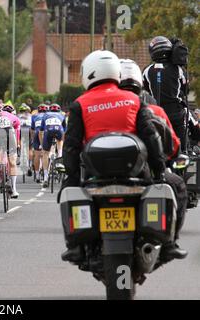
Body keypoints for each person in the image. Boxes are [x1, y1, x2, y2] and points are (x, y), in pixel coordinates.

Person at [60, 50, 186, 262]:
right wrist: (159, 172)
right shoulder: (133, 100)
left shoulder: (80, 104)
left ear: (87, 73)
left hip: (94, 175)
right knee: (178, 187)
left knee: (68, 195)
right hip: (137, 173)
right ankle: (169, 243)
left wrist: (71, 179)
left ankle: (76, 246)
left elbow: (71, 146)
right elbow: (151, 138)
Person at [119, 58, 187, 257]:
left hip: (103, 177)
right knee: (179, 189)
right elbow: (174, 146)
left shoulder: (104, 108)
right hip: (147, 176)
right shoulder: (155, 111)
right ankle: (170, 243)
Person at [143, 36, 189, 153]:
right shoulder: (178, 69)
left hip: (157, 114)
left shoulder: (147, 71)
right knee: (182, 148)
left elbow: (146, 91)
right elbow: (184, 88)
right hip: (176, 113)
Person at [0, 103, 21, 198]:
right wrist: (17, 145)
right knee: (12, 162)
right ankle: (14, 190)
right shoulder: (15, 118)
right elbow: (17, 133)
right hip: (9, 132)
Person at [39, 103, 66, 188]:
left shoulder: (46, 114)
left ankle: (46, 177)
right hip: (59, 130)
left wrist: (42, 144)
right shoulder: (62, 115)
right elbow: (64, 131)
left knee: (45, 153)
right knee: (60, 142)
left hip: (48, 130)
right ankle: (60, 157)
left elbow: (41, 131)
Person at [30, 104, 49, 184]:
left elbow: (32, 129)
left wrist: (32, 139)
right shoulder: (47, 115)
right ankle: (46, 174)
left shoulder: (34, 116)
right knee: (46, 153)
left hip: (37, 133)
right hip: (46, 133)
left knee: (37, 155)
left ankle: (37, 175)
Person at [17, 103, 33, 177]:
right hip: (28, 129)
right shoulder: (31, 116)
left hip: (20, 130)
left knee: (19, 143)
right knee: (29, 148)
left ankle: (20, 153)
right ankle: (29, 164)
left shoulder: (17, 116)